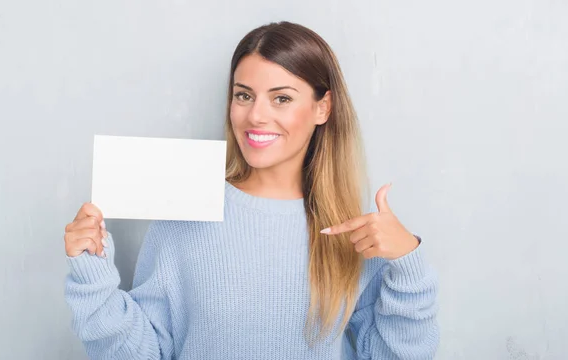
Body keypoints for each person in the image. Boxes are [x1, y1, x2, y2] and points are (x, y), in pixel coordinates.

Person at [63, 21, 439, 360]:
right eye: (244, 95)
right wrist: (92, 273)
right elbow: (146, 353)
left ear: (323, 108)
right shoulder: (186, 207)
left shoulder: (353, 231)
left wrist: (408, 263)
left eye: (282, 98)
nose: (256, 115)